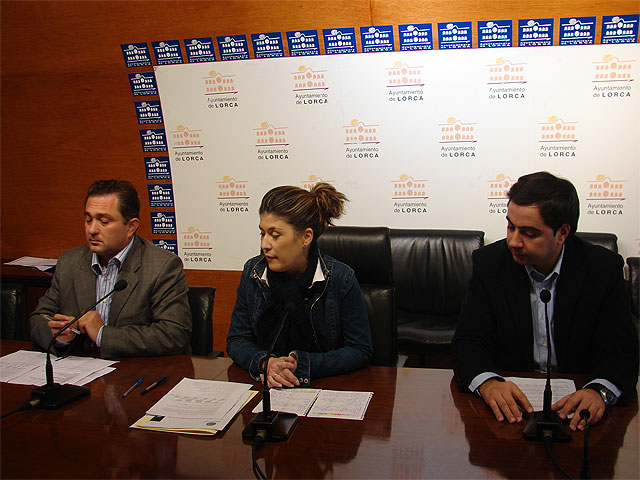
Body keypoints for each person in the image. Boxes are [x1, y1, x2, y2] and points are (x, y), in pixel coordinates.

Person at [452, 171, 638, 431]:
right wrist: (488, 383)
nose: (513, 242)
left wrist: (599, 391)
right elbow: (469, 342)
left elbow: (621, 351)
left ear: (562, 233)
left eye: (529, 233)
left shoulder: (602, 269)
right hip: (510, 413)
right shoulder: (489, 264)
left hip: (575, 413)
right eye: (510, 227)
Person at [226, 183, 372, 387]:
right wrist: (266, 363)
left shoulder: (340, 278)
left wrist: (300, 364)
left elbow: (360, 350)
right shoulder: (253, 272)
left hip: (323, 387)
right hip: (267, 386)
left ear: (306, 237)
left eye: (275, 235)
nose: (264, 244)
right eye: (262, 233)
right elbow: (237, 339)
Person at [30, 179, 192, 358]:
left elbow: (174, 334)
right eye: (88, 220)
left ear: (131, 226)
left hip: (133, 368)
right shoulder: (70, 262)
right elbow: (40, 318)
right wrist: (58, 333)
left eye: (104, 221)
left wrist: (102, 334)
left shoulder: (161, 266)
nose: (92, 230)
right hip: (77, 367)